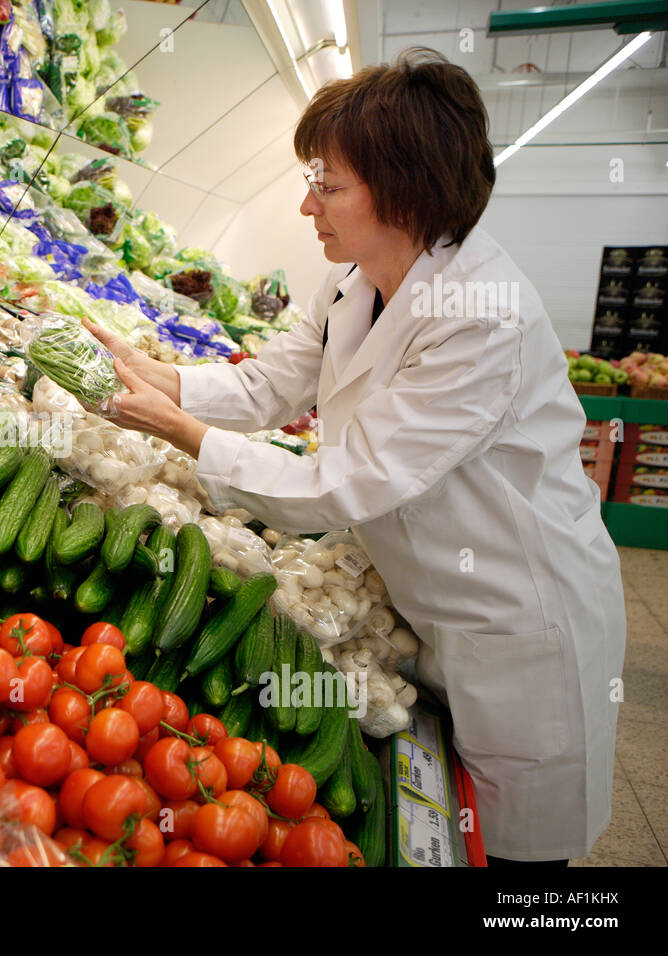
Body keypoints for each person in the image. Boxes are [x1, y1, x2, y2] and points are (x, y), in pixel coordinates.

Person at [85, 47, 625, 865]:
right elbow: (273, 382)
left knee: (517, 856)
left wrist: (185, 436)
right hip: (427, 593)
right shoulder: (355, 280)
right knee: (451, 818)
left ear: (405, 190)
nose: (308, 207)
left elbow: (347, 482)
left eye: (328, 186)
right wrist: (164, 378)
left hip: (518, 617)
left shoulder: (482, 316)